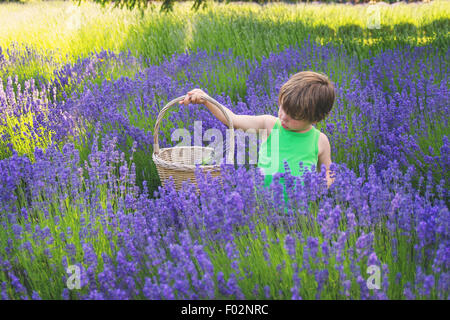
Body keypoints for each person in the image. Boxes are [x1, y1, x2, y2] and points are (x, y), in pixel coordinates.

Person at [179, 70, 336, 205]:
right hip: (262, 208)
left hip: (299, 214)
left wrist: (320, 187)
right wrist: (206, 100)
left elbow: (329, 171)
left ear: (315, 119)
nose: (283, 117)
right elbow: (232, 119)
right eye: (282, 107)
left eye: (294, 116)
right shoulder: (269, 125)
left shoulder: (319, 141)